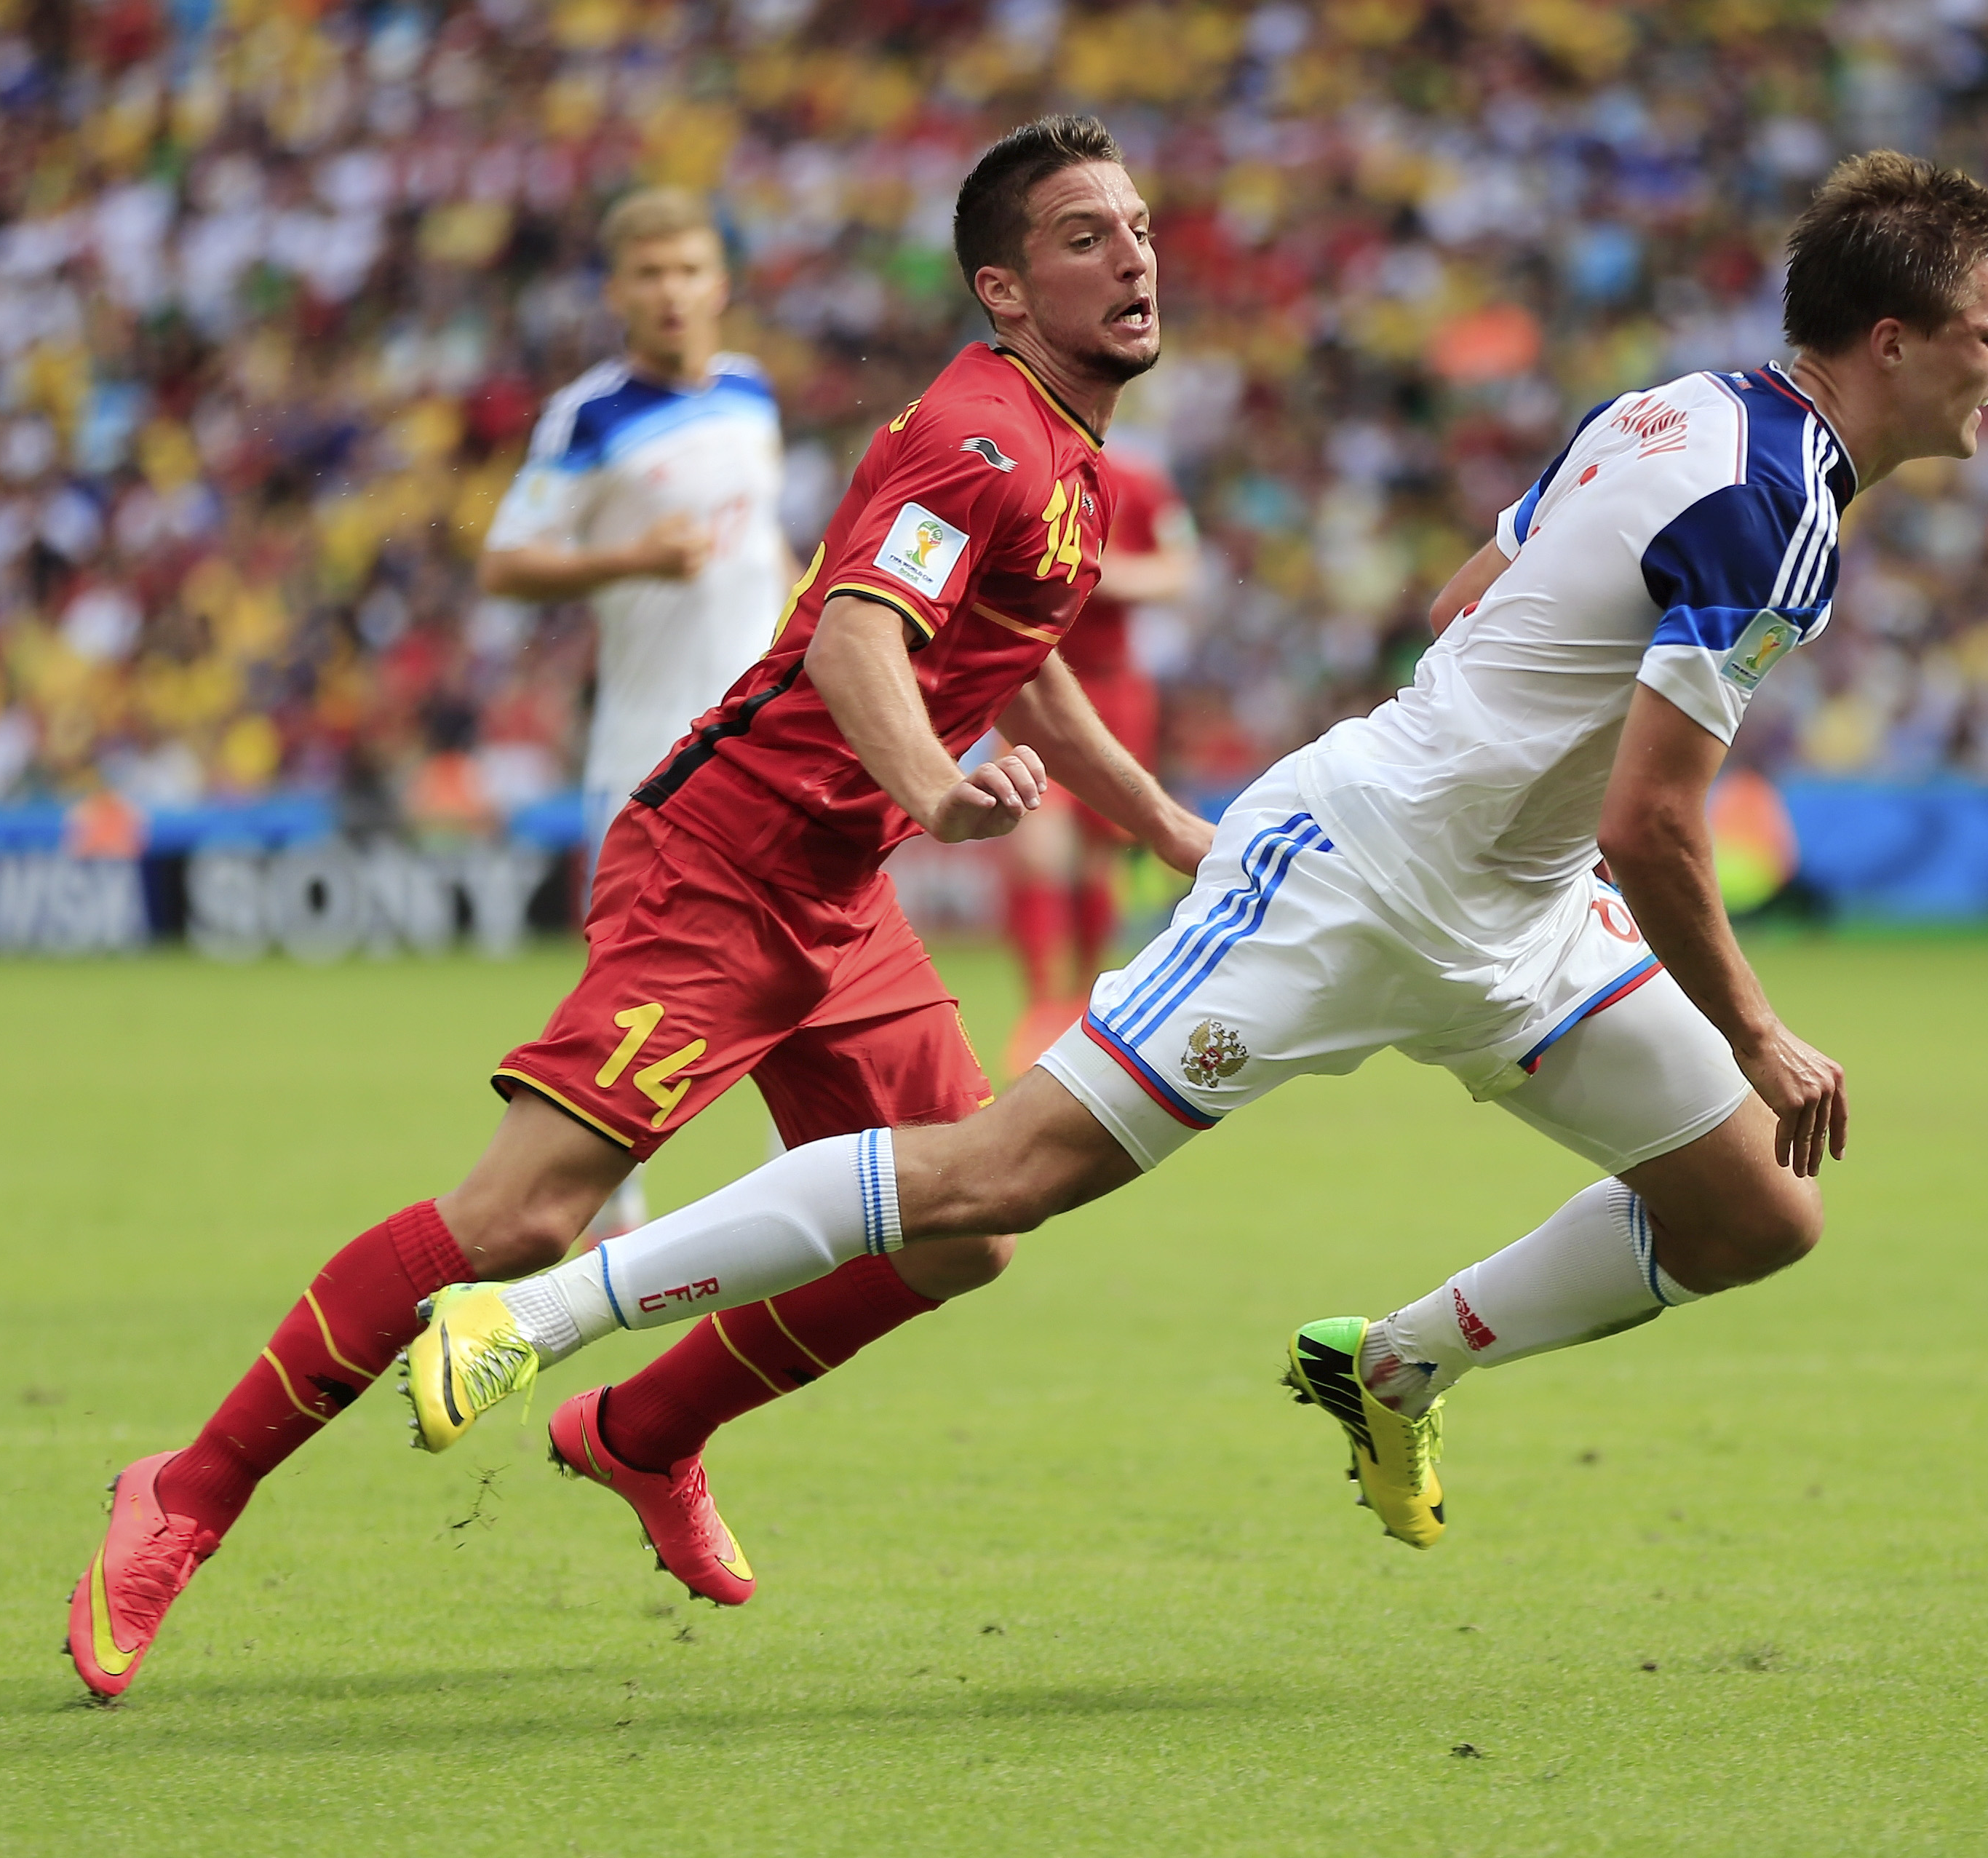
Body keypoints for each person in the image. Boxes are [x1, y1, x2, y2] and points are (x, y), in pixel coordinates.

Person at [412, 151, 1988, 1555]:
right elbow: (1657, 817)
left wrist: (1525, 811)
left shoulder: (1675, 408)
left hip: (1516, 907)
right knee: (1001, 1174)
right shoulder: (1781, 509)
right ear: (1894, 341)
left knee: (1752, 1213)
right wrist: (1755, 1026)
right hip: (1358, 870)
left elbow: (1473, 596)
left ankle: (1390, 1364)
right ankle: (533, 1314)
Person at [65, 115, 1211, 1699]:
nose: (1136, 253)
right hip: (723, 865)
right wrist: (941, 797)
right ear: (1005, 292)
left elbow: (1010, 657)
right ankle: (186, 1486)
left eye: (1138, 224)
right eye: (1087, 236)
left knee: (971, 1221)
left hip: (833, 886)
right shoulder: (982, 435)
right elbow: (854, 647)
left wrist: (1159, 823)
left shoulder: (1061, 454)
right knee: (524, 1215)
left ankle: (641, 1426)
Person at [478, 186, 792, 1241]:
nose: (671, 292)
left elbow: (765, 555)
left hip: (770, 752)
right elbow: (506, 561)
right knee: (629, 994)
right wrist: (636, 557)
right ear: (617, 289)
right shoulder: (590, 415)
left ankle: (804, 1200)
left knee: (803, 967)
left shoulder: (752, 395)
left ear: (722, 282)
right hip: (647, 756)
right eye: (649, 273)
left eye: (689, 270)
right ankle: (606, 1214)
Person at [1000, 445, 1198, 1073]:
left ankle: (1080, 1002)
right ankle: (1039, 1006)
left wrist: (1095, 572)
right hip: (1029, 679)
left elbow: (1179, 571)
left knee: (1096, 856)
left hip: (1113, 689)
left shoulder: (1143, 480)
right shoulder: (1025, 468)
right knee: (1036, 838)